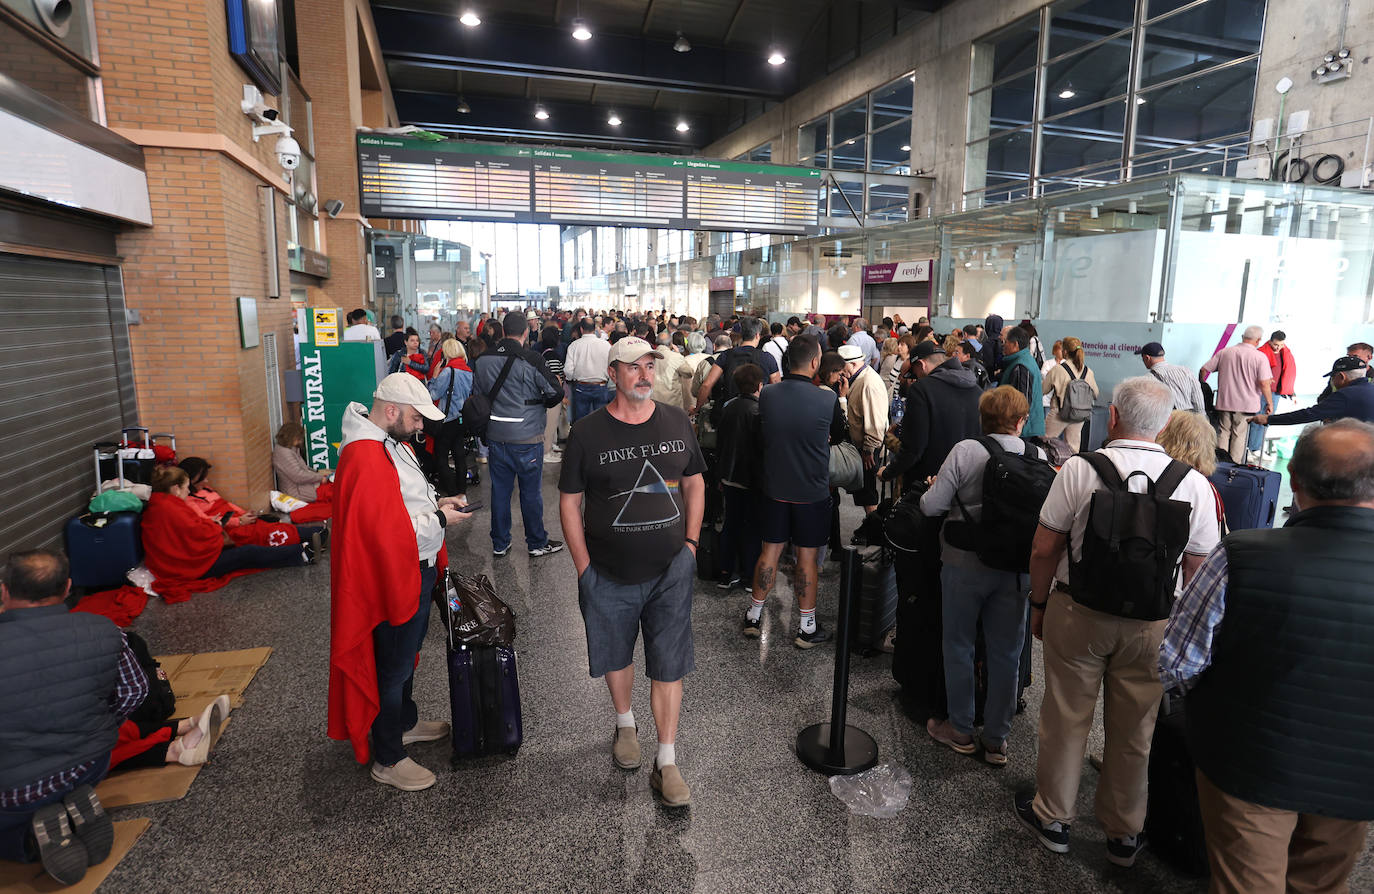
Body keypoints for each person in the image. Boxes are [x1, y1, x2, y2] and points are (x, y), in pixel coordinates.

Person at [1158, 419, 1374, 893]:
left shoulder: (1242, 554)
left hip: (1249, 763)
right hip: (1357, 778)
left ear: (1293, 482)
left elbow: (1178, 661)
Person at [1015, 377, 1221, 867]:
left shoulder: (1080, 470)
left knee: (1065, 716)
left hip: (1078, 611)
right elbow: (1199, 570)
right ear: (1168, 423)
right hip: (1153, 625)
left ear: (1112, 416)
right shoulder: (1192, 484)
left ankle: (1054, 818)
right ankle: (1123, 834)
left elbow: (1045, 546)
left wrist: (1038, 604)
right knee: (1135, 730)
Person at [557, 336, 705, 809]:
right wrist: (584, 569)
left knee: (669, 662)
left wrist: (691, 546)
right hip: (608, 573)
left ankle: (667, 760)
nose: (644, 374)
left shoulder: (678, 422)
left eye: (649, 365)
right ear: (613, 375)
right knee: (615, 655)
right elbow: (569, 502)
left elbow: (695, 483)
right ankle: (625, 724)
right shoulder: (587, 433)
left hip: (671, 571)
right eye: (633, 367)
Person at [328, 373, 473, 791]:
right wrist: (443, 518)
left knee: (404, 656)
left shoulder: (391, 443)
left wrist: (437, 504)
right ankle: (388, 756)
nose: (421, 426)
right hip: (391, 576)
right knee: (391, 667)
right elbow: (389, 534)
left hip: (413, 566)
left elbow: (403, 506)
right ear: (390, 411)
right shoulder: (366, 455)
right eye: (415, 417)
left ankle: (402, 723)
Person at [0, 550, 147, 885]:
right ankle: (69, 805)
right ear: (67, 587)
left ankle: (30, 842)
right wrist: (99, 727)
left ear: (4, 591)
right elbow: (135, 692)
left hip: (15, 791)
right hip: (89, 765)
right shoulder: (104, 629)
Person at [920, 386, 1046, 764]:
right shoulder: (1037, 456)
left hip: (964, 564)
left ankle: (959, 729)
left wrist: (933, 488)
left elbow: (932, 507)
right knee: (1007, 652)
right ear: (1021, 421)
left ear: (983, 418)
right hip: (1016, 568)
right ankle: (996, 739)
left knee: (959, 644)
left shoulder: (966, 451)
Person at [746, 335, 844, 648]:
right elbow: (840, 435)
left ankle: (753, 615)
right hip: (812, 491)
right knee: (807, 558)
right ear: (815, 362)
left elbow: (761, 435)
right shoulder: (826, 399)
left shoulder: (769, 394)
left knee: (769, 552)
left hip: (774, 487)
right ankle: (806, 627)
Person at [473, 312, 565, 558]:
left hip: (496, 436)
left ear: (502, 332)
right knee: (530, 493)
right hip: (527, 438)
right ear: (526, 332)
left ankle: (500, 542)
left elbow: (478, 396)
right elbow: (554, 394)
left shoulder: (482, 360)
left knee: (500, 492)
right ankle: (536, 543)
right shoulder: (531, 358)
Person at [142, 466, 313, 579]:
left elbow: (192, 529)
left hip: (187, 561)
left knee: (250, 547)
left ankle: (303, 547)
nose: (188, 490)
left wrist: (214, 525)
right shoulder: (171, 508)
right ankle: (301, 552)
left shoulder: (162, 505)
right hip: (191, 566)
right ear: (175, 489)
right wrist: (215, 526)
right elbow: (196, 532)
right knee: (248, 552)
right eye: (186, 487)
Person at [879, 341, 980, 488]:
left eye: (915, 374)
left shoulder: (921, 390)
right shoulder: (977, 390)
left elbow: (914, 448)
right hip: (966, 481)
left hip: (926, 483)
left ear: (921, 364)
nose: (915, 379)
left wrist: (888, 472)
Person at [715, 363, 764, 591]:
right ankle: (747, 575)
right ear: (759, 385)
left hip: (728, 474)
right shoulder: (759, 411)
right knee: (752, 526)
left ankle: (725, 573)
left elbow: (721, 442)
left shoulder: (727, 406)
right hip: (751, 478)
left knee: (730, 523)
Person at [1200, 325, 1274, 464]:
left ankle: (1219, 464)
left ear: (1242, 337)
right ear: (1258, 340)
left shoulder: (1225, 352)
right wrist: (1270, 403)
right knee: (1239, 435)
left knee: (1223, 432)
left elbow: (1204, 369)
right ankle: (1233, 469)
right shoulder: (1260, 357)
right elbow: (1264, 383)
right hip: (1246, 405)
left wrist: (1202, 385)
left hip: (1225, 402)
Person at [694, 317, 780, 427]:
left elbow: (707, 384)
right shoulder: (767, 358)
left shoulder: (726, 355)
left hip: (729, 414)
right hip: (758, 414)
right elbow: (776, 387)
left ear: (741, 334)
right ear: (758, 335)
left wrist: (697, 409)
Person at [1251, 355, 1374, 427]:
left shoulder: (1345, 395)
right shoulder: (1370, 389)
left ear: (1342, 376)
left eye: (1333, 377)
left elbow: (1309, 414)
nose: (1332, 381)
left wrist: (1269, 419)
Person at [841, 344, 889, 516]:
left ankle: (873, 528)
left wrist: (869, 449)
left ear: (853, 364)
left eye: (842, 366)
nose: (839, 370)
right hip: (861, 447)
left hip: (867, 449)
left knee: (868, 494)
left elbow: (875, 423)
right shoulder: (858, 378)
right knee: (863, 493)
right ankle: (870, 525)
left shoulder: (868, 383)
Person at [427, 339, 474, 496]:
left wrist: (433, 377)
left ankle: (452, 493)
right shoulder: (467, 370)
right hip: (462, 419)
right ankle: (462, 492)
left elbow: (433, 394)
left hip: (447, 420)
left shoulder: (448, 371)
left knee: (441, 457)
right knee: (459, 455)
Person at [1041, 336, 1099, 453]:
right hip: (1079, 414)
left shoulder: (1058, 369)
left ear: (1065, 351)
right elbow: (1096, 393)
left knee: (1044, 442)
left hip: (1060, 412)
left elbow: (1043, 389)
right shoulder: (1088, 371)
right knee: (1073, 448)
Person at [272, 422, 335, 523]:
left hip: (307, 486)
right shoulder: (283, 453)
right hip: (300, 491)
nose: (300, 441)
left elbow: (303, 469)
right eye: (299, 438)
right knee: (334, 493)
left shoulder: (290, 449)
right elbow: (298, 475)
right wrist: (319, 477)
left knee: (335, 489)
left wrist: (319, 473)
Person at [998, 326, 1046, 437]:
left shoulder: (1021, 366)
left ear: (1015, 344)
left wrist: (1017, 428)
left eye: (1006, 342)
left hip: (1022, 432)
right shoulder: (1024, 361)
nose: (1003, 346)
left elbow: (1023, 402)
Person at [565, 317, 613, 423]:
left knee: (581, 421)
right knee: (601, 421)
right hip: (601, 385)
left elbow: (568, 370)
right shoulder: (605, 345)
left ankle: (583, 439)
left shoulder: (574, 346)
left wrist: (573, 377)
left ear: (581, 329)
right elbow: (611, 366)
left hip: (581, 386)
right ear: (595, 328)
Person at [1135, 342, 1206, 414]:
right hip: (1190, 420)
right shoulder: (1185, 371)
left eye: (1142, 357)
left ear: (1147, 358)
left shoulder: (1148, 379)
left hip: (1169, 421)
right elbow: (1198, 400)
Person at [537, 325, 567, 464]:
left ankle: (549, 447)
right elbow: (556, 377)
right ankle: (546, 451)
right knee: (550, 424)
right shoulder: (553, 356)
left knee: (551, 423)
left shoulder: (544, 354)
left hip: (547, 394)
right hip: (553, 395)